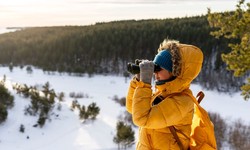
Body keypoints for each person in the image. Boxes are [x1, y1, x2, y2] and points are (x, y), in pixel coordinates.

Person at [126, 39, 203, 150]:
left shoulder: (182, 102)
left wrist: (145, 84)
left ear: (174, 71)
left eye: (158, 69)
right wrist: (138, 79)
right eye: (154, 69)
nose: (155, 73)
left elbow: (141, 118)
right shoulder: (161, 94)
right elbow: (132, 108)